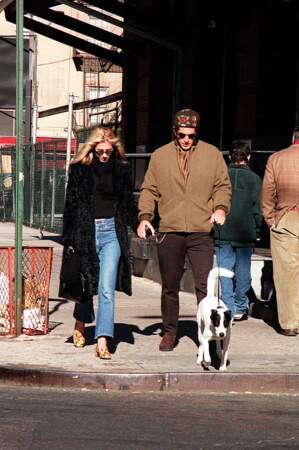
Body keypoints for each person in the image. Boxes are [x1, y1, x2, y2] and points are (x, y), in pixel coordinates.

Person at [137, 108, 231, 351]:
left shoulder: (212, 155)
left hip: (201, 230)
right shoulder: (160, 156)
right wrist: (145, 216)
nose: (187, 140)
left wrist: (221, 208)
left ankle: (208, 334)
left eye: (191, 135)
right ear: (174, 133)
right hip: (170, 231)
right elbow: (149, 190)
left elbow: (222, 186)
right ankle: (170, 332)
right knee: (170, 285)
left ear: (197, 133)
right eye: (182, 135)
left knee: (204, 285)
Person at [59, 127, 136, 358]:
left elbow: (127, 204)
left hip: (112, 232)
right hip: (86, 231)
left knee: (106, 289)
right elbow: (70, 205)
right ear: (92, 149)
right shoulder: (80, 170)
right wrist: (69, 238)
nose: (104, 156)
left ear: (114, 150)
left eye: (108, 152)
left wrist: (143, 221)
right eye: (100, 151)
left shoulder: (122, 170)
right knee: (86, 284)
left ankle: (103, 340)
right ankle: (80, 325)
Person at [214, 142, 263, 321]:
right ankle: (240, 305)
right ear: (248, 157)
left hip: (223, 230)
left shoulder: (221, 176)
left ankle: (227, 305)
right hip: (246, 231)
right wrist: (258, 229)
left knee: (224, 268)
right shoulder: (255, 179)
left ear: (229, 157)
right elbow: (258, 209)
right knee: (243, 270)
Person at [261, 127, 299, 336]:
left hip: (286, 218)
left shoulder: (277, 159)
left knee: (286, 275)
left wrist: (270, 219)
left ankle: (290, 323)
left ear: (293, 139)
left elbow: (267, 192)